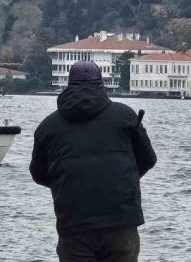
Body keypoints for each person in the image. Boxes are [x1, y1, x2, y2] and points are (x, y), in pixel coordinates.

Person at [30, 61, 157, 262]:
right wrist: (123, 178)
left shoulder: (47, 127)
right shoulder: (124, 116)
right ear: (101, 84)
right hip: (120, 221)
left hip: (73, 225)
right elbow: (148, 159)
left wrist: (67, 181)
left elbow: (38, 174)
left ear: (68, 85)